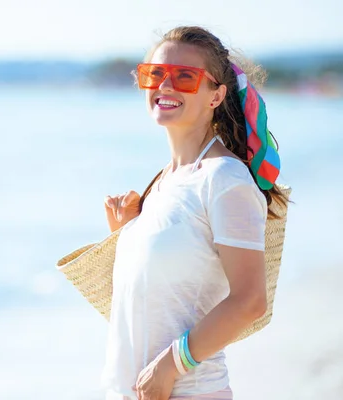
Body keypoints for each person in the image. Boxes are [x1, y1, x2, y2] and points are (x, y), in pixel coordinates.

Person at [101, 26, 288, 400]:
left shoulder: (225, 178)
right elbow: (148, 301)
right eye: (154, 74)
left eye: (185, 77)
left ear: (216, 95)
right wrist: (126, 234)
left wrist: (171, 365)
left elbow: (250, 301)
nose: (165, 86)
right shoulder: (165, 181)